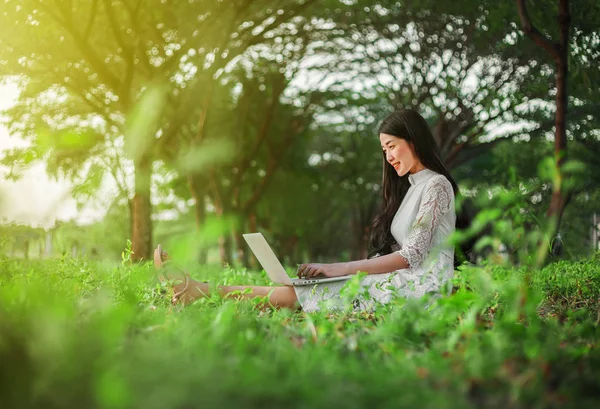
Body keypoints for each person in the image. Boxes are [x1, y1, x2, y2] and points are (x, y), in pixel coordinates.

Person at [154, 109, 459, 312]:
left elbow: (411, 257)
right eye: (384, 150)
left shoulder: (437, 186)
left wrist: (336, 268)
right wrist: (335, 271)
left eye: (392, 146)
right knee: (311, 288)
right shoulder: (412, 189)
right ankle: (201, 290)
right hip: (407, 280)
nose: (388, 157)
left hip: (424, 288)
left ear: (413, 139)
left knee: (315, 290)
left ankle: (201, 291)